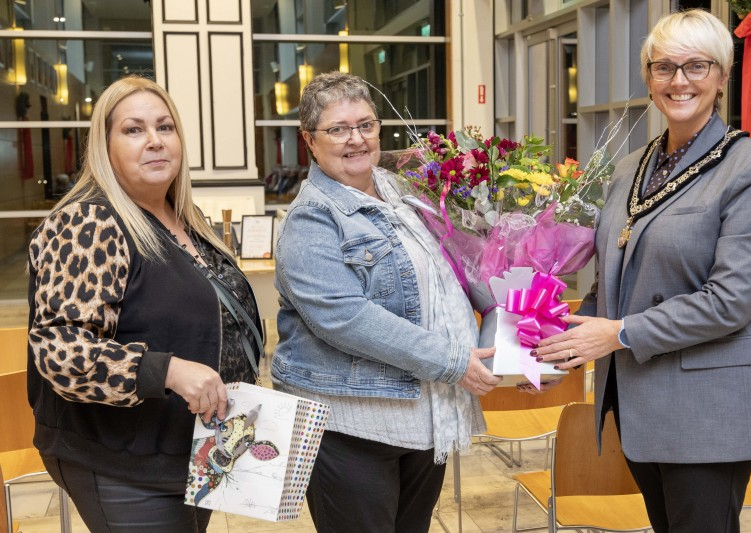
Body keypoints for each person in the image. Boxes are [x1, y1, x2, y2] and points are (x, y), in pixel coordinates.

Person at [535, 9, 751, 533]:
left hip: (707, 413)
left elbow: (730, 302)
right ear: (648, 77)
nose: (679, 81)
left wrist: (620, 333)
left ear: (721, 76)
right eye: (663, 67)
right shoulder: (631, 167)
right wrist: (545, 343)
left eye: (696, 66)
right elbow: (614, 283)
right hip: (638, 401)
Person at [27, 75, 263, 533]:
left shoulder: (183, 221)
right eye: (134, 130)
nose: (154, 141)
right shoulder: (91, 221)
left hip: (190, 452)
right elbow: (60, 350)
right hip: (124, 463)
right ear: (105, 146)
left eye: (165, 127)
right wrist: (169, 371)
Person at [271, 71, 502, 532]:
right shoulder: (310, 221)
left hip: (422, 416)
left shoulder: (406, 191)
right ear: (310, 142)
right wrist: (451, 360)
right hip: (352, 425)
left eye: (367, 125)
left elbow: (454, 271)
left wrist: (513, 320)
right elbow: (345, 318)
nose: (356, 139)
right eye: (338, 129)